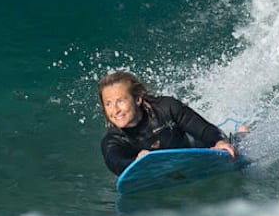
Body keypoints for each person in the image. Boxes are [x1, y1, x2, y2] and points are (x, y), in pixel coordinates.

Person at [98, 70, 234, 176]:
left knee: (234, 145)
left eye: (120, 101)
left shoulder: (167, 108)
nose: (115, 110)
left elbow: (204, 130)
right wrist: (135, 163)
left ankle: (240, 133)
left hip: (196, 150)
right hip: (167, 170)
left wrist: (219, 141)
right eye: (108, 104)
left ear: (137, 99)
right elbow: (115, 162)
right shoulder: (113, 139)